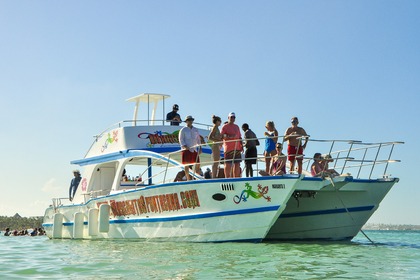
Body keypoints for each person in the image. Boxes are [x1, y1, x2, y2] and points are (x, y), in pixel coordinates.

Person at [220, 112, 243, 178]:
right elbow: (221, 136)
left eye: (234, 117)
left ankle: (237, 178)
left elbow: (240, 137)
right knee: (228, 164)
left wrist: (241, 146)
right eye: (231, 117)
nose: (233, 118)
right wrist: (230, 136)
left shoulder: (237, 127)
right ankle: (227, 178)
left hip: (237, 147)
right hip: (229, 148)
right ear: (228, 118)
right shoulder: (225, 126)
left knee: (237, 163)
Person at [179, 115, 201, 180]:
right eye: (189, 120)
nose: (190, 121)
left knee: (198, 164)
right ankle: (188, 178)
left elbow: (198, 139)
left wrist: (200, 148)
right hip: (186, 149)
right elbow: (181, 139)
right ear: (186, 121)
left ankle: (197, 178)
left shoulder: (195, 129)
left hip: (194, 149)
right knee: (186, 165)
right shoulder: (183, 129)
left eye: (191, 120)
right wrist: (184, 146)